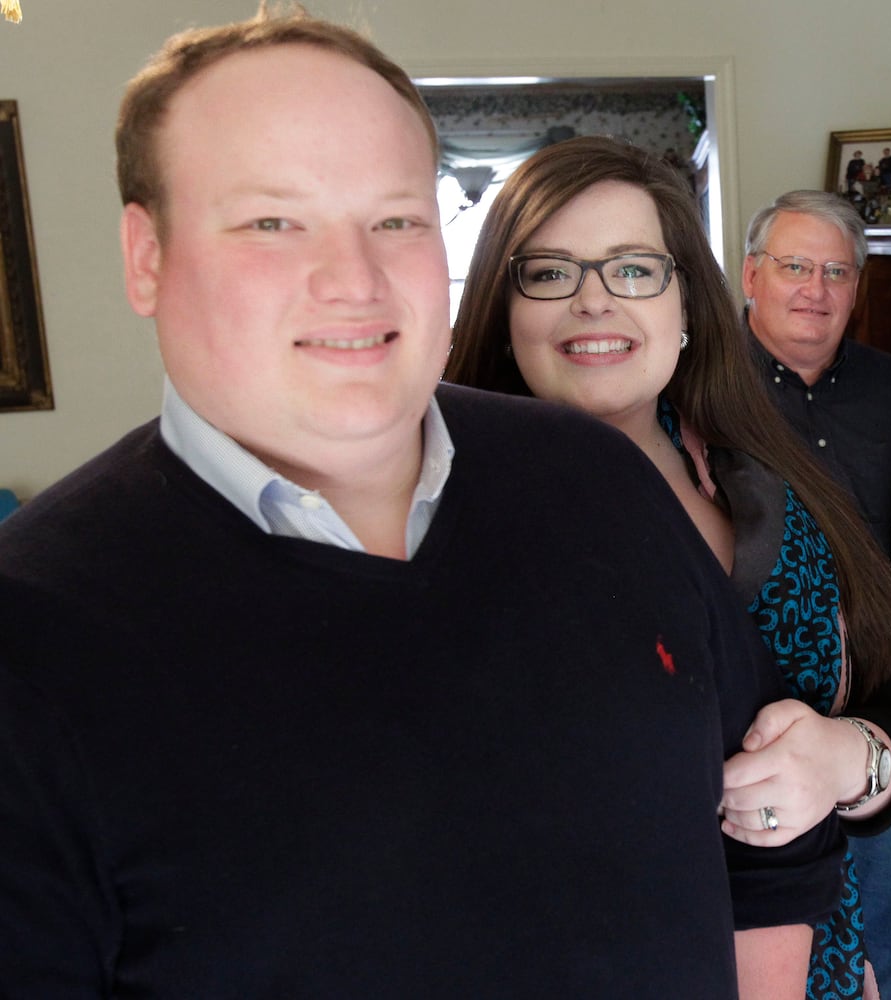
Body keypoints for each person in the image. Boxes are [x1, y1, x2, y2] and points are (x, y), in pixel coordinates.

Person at [0, 7, 846, 997]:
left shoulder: (598, 477)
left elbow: (770, 822)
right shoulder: (34, 636)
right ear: (147, 256)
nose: (352, 281)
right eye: (273, 221)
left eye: (396, 219)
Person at [444, 135, 891, 1000]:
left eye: (634, 269)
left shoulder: (763, 480)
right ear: (502, 307)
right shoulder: (445, 521)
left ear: (686, 305)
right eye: (549, 272)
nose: (593, 300)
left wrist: (844, 761)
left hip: (814, 954)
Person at [742, 189, 891, 1000]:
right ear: (751, 275)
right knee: (776, 949)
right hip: (754, 717)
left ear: (857, 287)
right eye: (794, 266)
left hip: (884, 706)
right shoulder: (701, 389)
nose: (813, 289)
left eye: (835, 272)